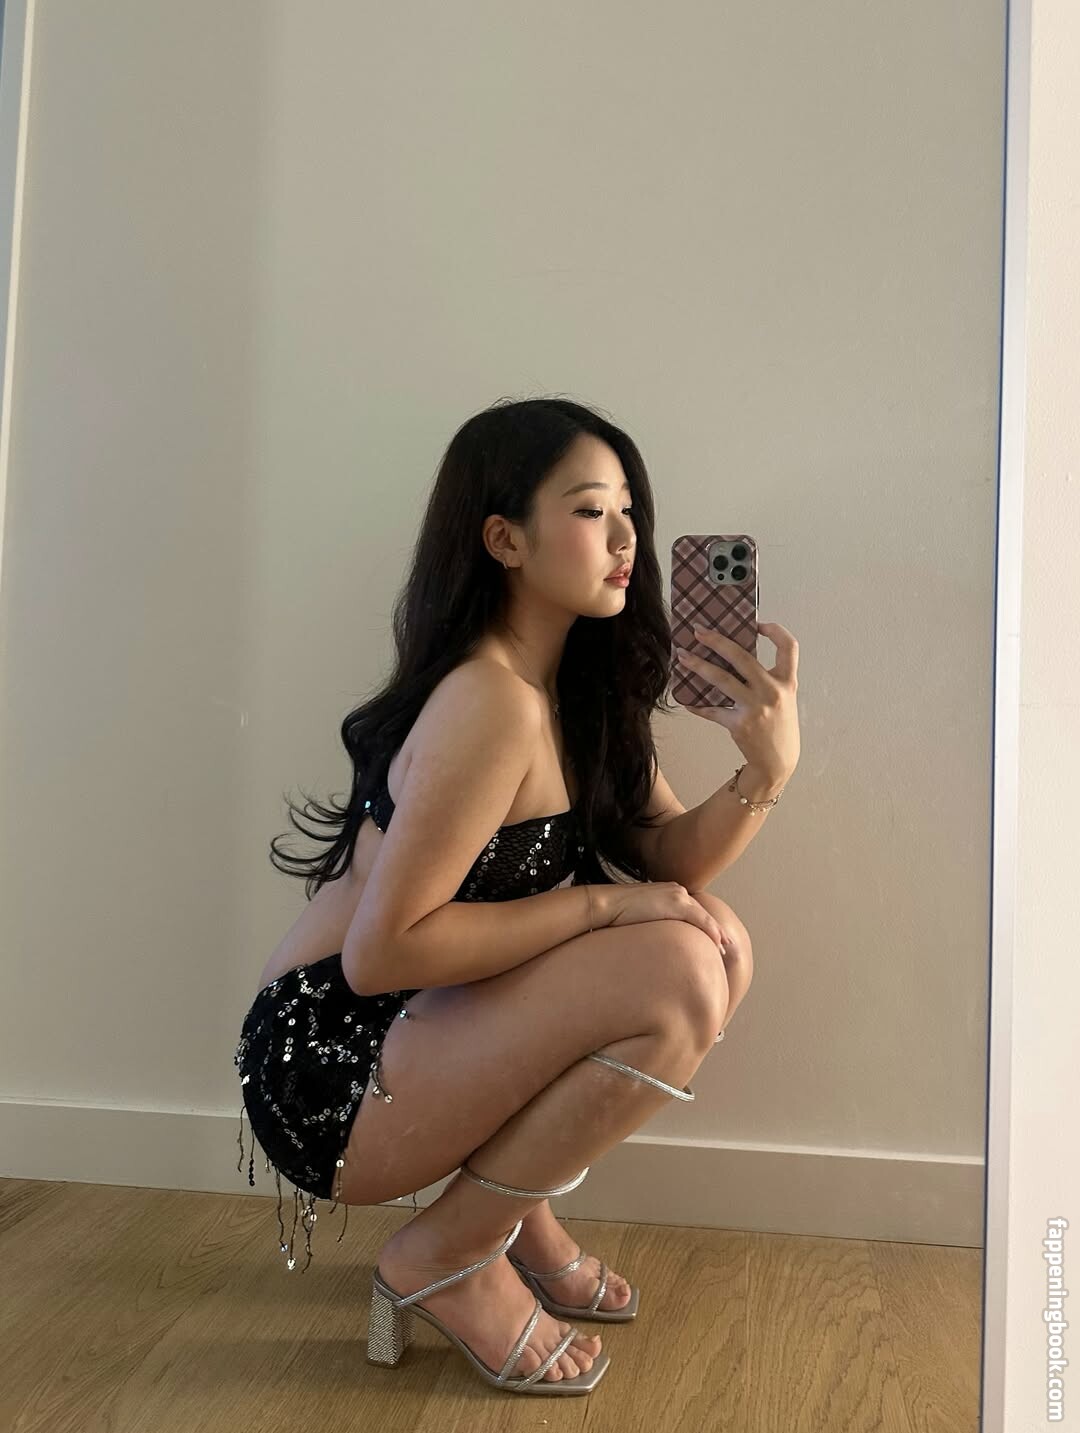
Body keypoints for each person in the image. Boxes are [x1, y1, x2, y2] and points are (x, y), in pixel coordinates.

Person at [234, 395, 768, 1396]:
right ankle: (446, 1253)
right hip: (329, 1057)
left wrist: (763, 771)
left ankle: (512, 1216)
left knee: (719, 942)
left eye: (629, 512)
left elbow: (671, 857)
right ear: (504, 539)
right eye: (591, 510)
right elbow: (380, 954)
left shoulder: (570, 694)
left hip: (421, 1028)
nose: (624, 539)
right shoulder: (489, 700)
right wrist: (605, 907)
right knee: (683, 969)